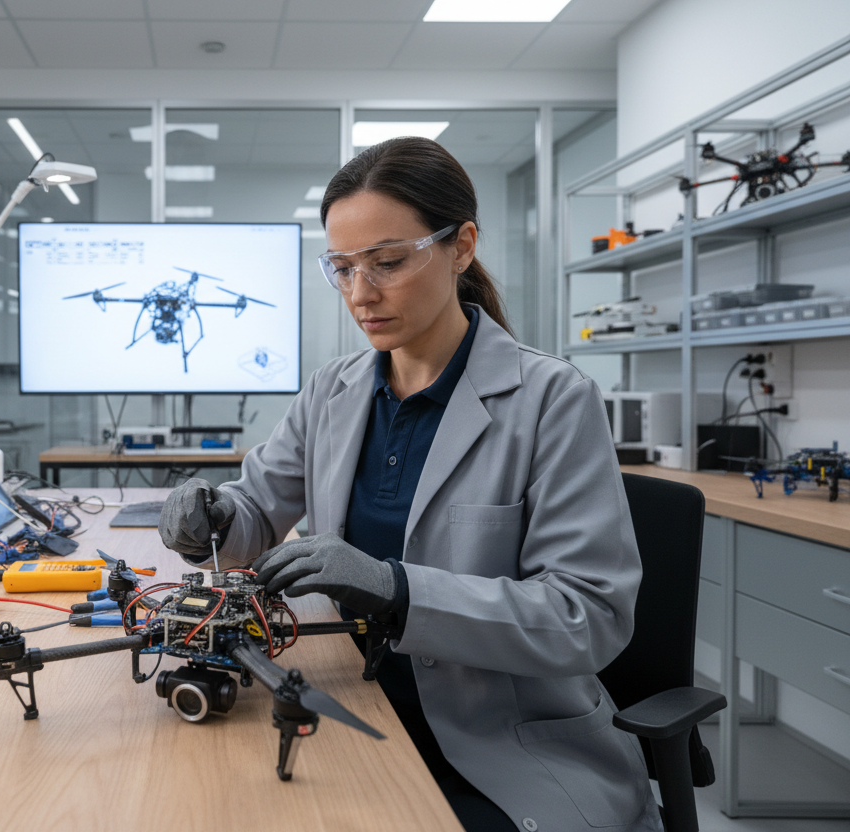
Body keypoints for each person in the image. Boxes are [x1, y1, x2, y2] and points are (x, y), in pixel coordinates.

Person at [158, 137, 661, 832]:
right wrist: (212, 517)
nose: (361, 294)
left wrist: (399, 590)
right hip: (354, 709)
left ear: (462, 247)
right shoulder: (331, 391)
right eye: (342, 268)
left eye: (388, 262)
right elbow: (255, 511)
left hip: (501, 748)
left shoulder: (552, 399)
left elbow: (588, 616)